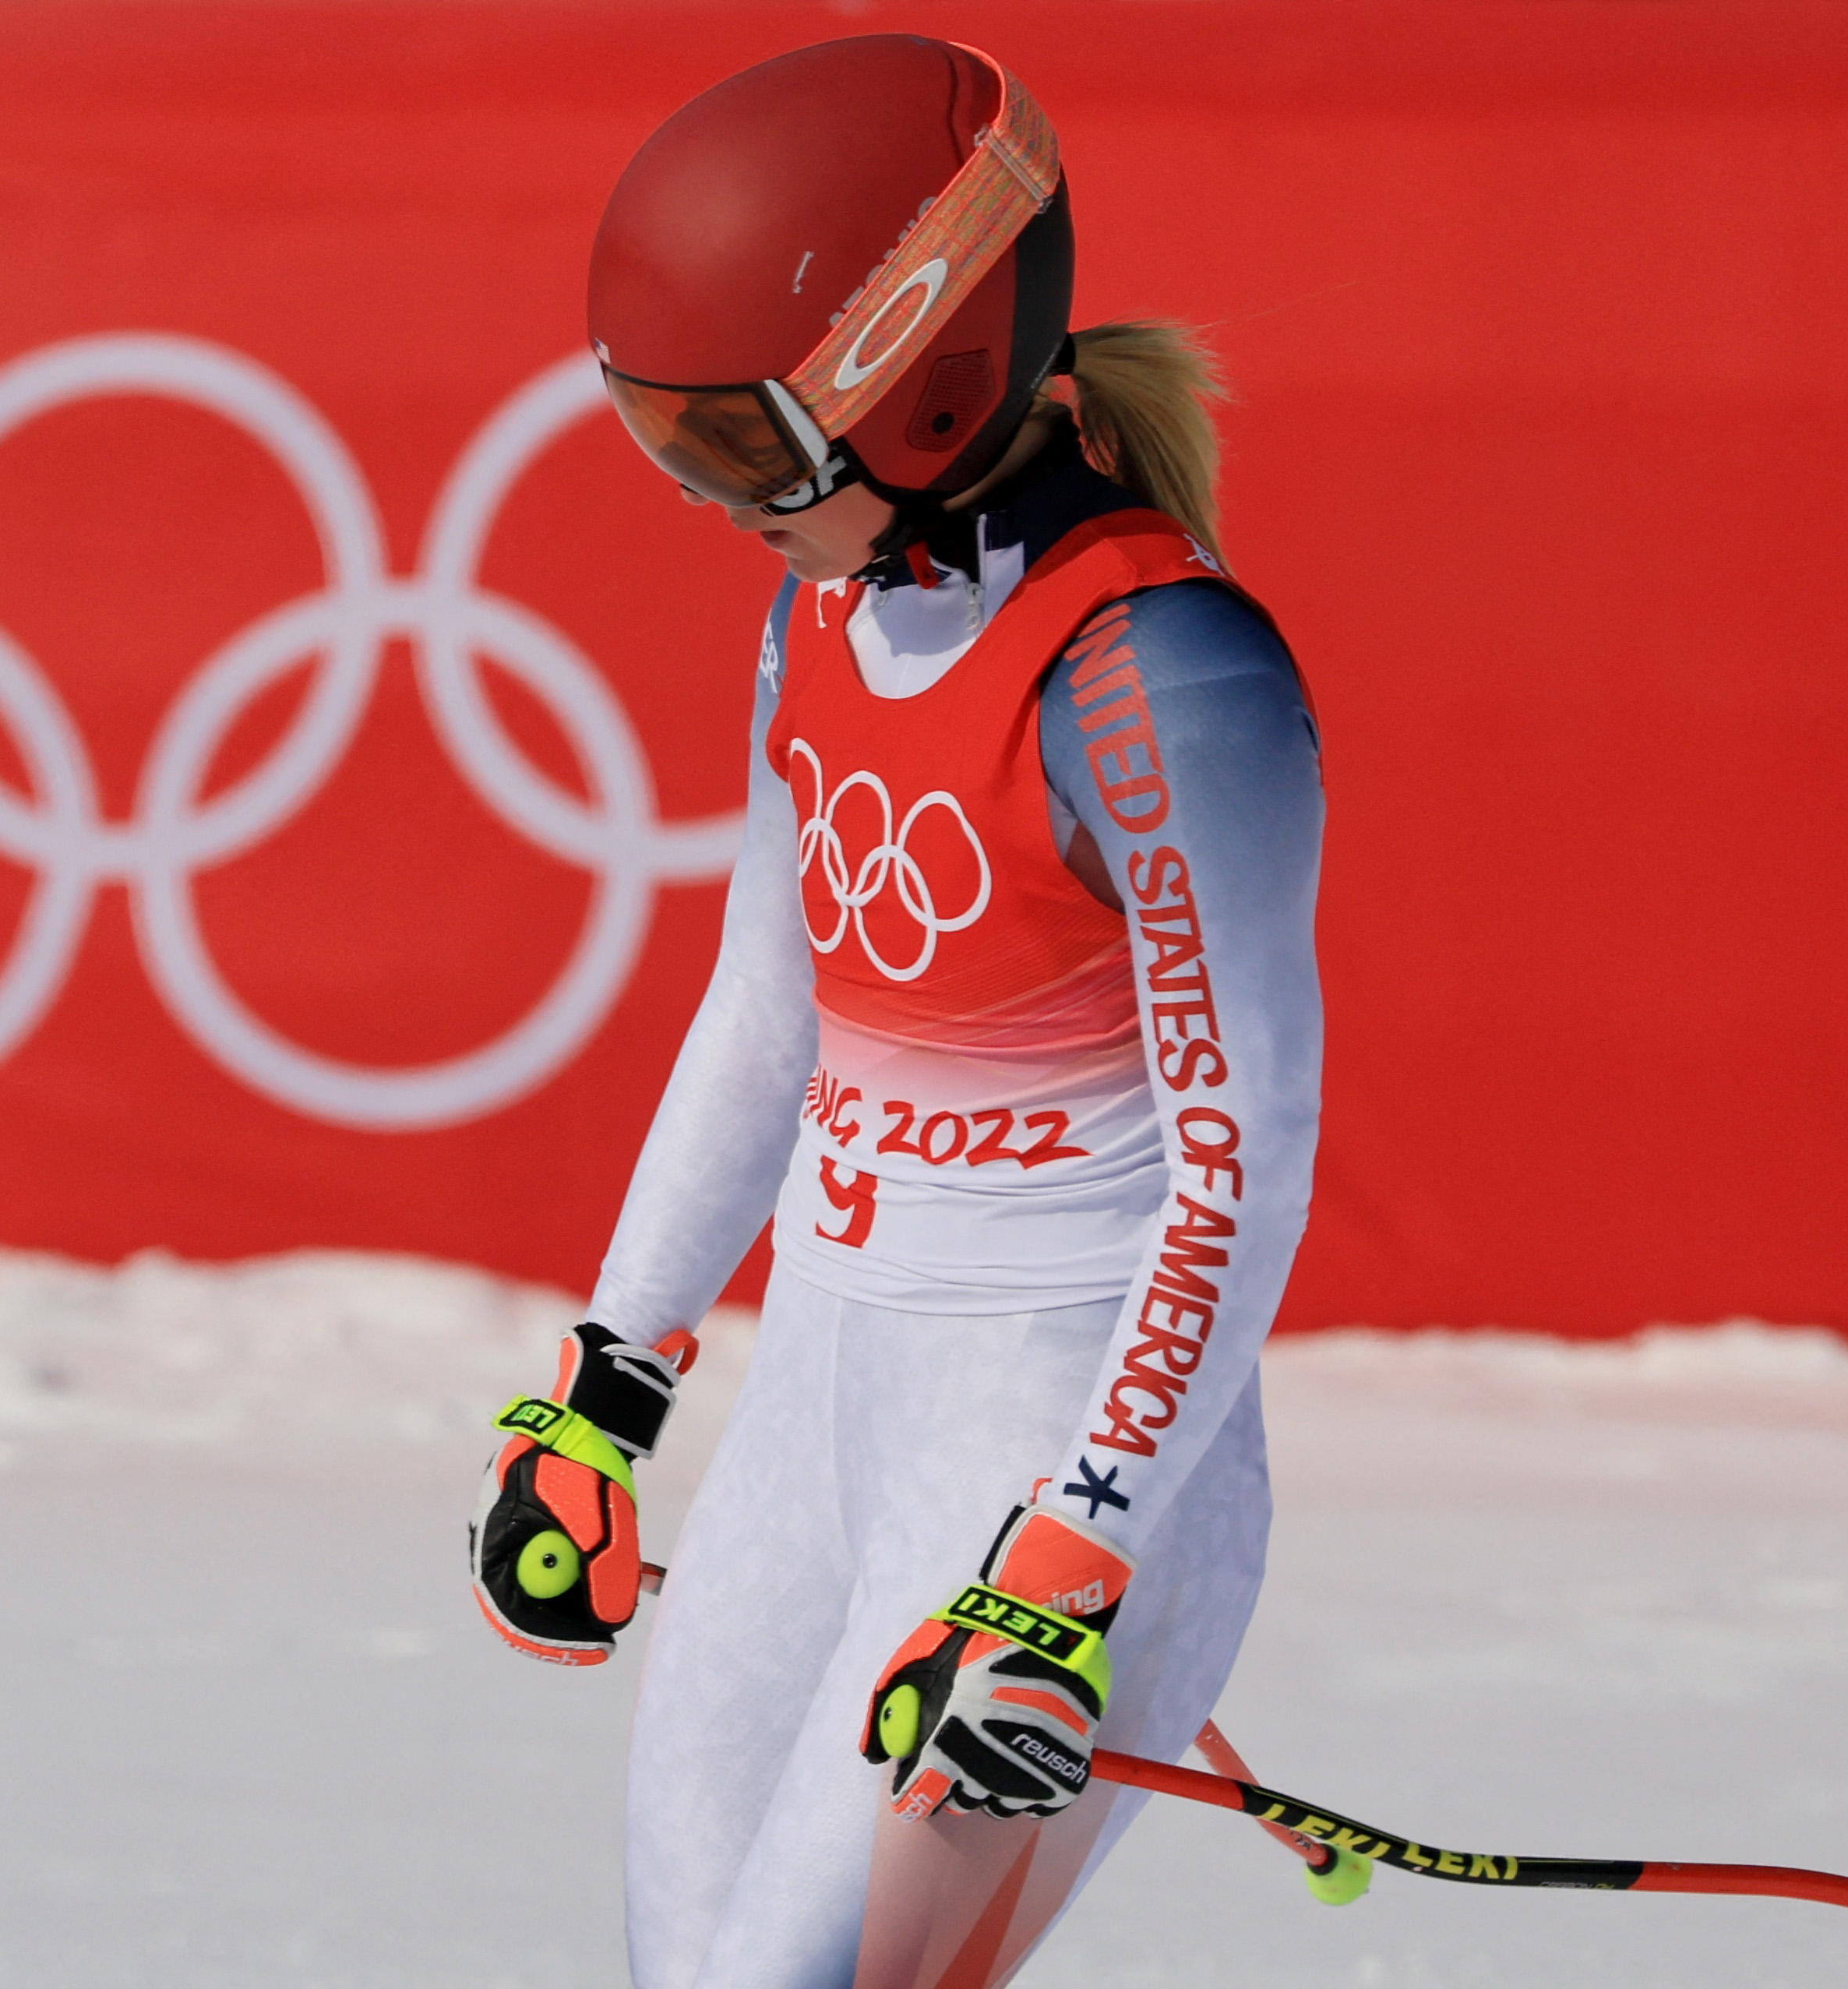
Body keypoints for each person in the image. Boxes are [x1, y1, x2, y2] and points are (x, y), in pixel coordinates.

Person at [465, 34, 1327, 1989]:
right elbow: (766, 1020)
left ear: (919, 381)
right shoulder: (829, 608)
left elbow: (1240, 1162)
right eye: (673, 446)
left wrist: (1076, 1551)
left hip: (1054, 1426)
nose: (717, 507)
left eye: (745, 452)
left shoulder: (1156, 676)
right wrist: (610, 1382)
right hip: (829, 1387)